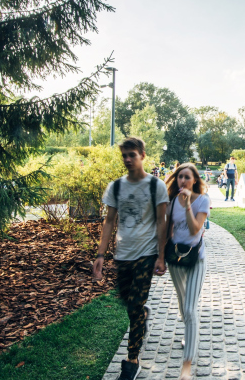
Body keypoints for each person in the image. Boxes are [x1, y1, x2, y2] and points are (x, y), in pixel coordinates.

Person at [92, 137, 169, 380]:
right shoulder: (115, 187)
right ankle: (143, 316)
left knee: (134, 305)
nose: (127, 159)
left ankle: (132, 359)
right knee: (128, 302)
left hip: (146, 254)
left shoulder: (156, 186)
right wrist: (101, 255)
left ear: (143, 155)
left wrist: (161, 256)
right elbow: (109, 222)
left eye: (132, 155)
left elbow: (161, 222)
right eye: (124, 155)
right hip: (122, 256)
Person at [165, 163, 210, 380]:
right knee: (183, 305)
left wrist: (187, 205)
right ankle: (188, 335)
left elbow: (194, 229)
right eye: (180, 177)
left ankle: (187, 365)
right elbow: (166, 231)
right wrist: (159, 258)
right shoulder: (172, 201)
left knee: (191, 309)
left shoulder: (203, 200)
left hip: (196, 260)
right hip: (175, 259)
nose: (182, 180)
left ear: (194, 180)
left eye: (187, 177)